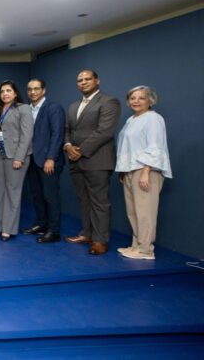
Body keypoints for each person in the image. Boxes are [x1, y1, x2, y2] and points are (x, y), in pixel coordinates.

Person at [64, 70, 121, 255]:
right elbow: (68, 130)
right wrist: (68, 146)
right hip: (75, 161)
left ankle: (100, 240)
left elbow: (105, 131)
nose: (83, 82)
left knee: (99, 202)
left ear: (97, 81)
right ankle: (87, 234)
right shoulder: (74, 106)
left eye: (87, 79)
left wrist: (80, 151)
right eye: (80, 80)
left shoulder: (109, 102)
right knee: (84, 200)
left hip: (97, 160)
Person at [115, 86, 171, 260]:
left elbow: (155, 145)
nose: (136, 101)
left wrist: (146, 170)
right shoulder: (131, 120)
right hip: (130, 170)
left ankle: (146, 250)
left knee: (145, 211)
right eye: (133, 98)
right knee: (133, 211)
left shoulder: (154, 119)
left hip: (146, 169)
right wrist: (123, 170)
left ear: (150, 100)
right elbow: (127, 147)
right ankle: (137, 245)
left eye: (141, 98)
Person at [22, 79, 66, 243]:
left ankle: (54, 231)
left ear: (44, 90)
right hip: (32, 160)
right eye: (30, 89)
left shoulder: (53, 108)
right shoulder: (27, 109)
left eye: (36, 89)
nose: (33, 92)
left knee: (50, 196)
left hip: (48, 161)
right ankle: (42, 224)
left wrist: (50, 158)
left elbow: (57, 134)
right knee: (37, 195)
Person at [0, 81, 33, 241]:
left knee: (12, 192)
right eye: (2, 91)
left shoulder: (23, 108)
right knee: (0, 192)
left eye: (8, 90)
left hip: (15, 156)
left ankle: (8, 229)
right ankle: (1, 226)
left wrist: (19, 157)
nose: (5, 94)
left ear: (15, 93)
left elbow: (27, 135)